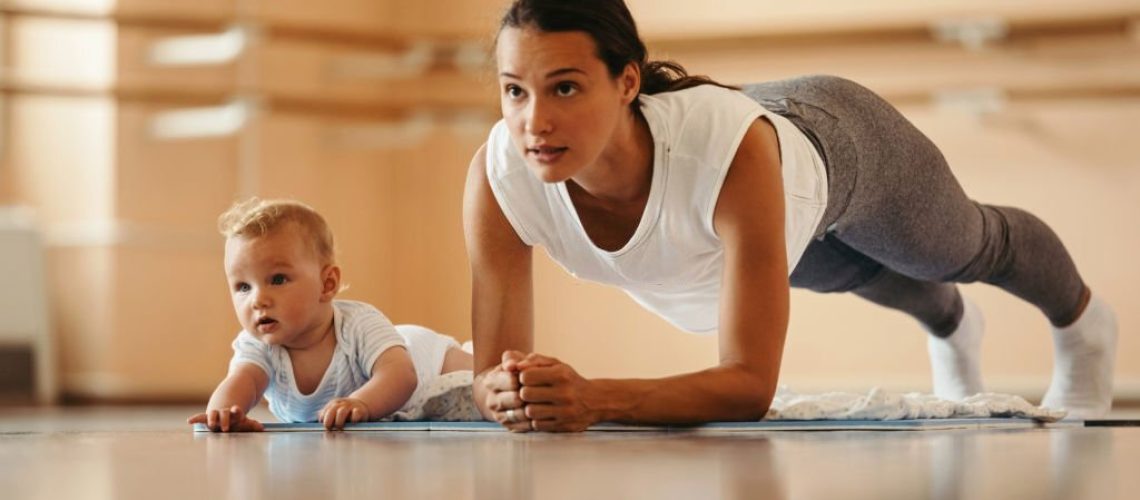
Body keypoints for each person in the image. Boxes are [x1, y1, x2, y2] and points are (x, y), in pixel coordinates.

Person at [463, 0, 1118, 432]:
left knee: (957, 248)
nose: (534, 122)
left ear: (627, 82)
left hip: (837, 143)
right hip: (755, 205)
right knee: (854, 273)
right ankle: (952, 327)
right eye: (514, 90)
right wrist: (504, 393)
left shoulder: (727, 155)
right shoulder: (498, 180)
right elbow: (489, 372)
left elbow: (749, 386)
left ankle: (1086, 328)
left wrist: (592, 398)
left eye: (566, 87)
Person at [188, 198, 472, 431]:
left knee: (483, 376)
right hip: (400, 408)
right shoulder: (259, 346)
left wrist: (361, 403)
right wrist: (224, 414)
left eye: (277, 280)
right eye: (243, 287)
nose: (258, 299)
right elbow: (242, 383)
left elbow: (400, 375)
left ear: (327, 284)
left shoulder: (357, 324)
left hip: (423, 361)